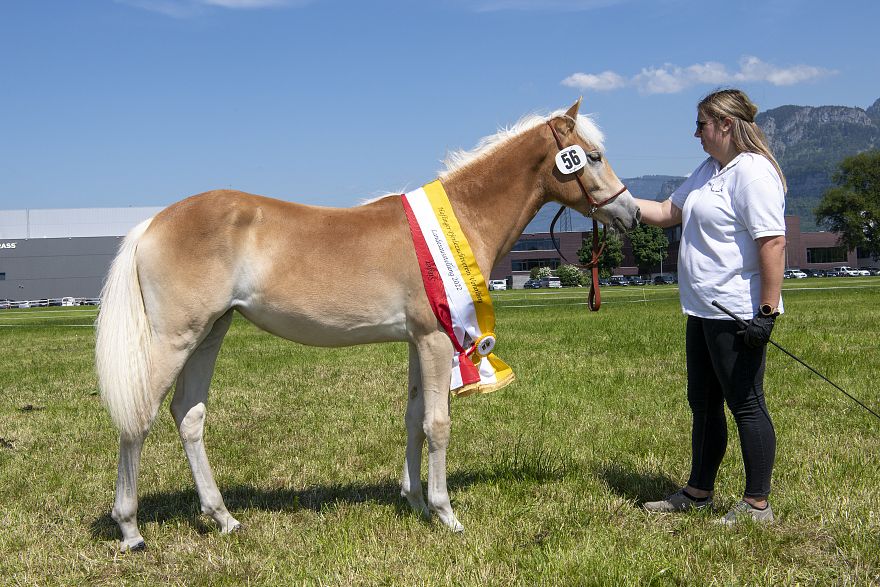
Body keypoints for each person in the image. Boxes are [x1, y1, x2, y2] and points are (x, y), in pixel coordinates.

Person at [636, 88, 787, 524]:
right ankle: (698, 492)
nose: (695, 133)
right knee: (703, 403)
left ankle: (757, 504)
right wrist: (614, 204)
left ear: (725, 124)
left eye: (701, 124)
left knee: (746, 403)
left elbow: (773, 242)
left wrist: (766, 313)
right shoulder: (709, 169)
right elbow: (667, 211)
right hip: (701, 309)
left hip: (737, 313)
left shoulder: (753, 173)